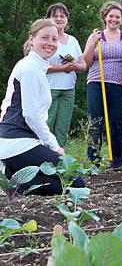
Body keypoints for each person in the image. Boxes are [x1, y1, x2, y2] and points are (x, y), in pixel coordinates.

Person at [0, 19, 85, 195]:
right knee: (75, 182)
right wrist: (54, 146)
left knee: (65, 180)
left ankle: (10, 176)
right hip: (17, 142)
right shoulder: (30, 68)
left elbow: (7, 105)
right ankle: (11, 180)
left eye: (54, 39)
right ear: (31, 39)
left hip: (22, 140)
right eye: (44, 37)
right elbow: (31, 115)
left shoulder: (38, 67)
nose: (50, 43)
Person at [83, 1, 122, 168]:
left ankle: (117, 160)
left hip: (119, 84)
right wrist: (91, 44)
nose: (114, 19)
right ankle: (94, 160)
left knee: (117, 123)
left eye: (117, 16)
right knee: (95, 122)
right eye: (111, 16)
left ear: (121, 19)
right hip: (97, 83)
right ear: (105, 17)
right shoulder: (95, 36)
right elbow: (87, 61)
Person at [45, 3, 87, 148]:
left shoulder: (73, 41)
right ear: (48, 19)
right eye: (55, 16)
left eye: (62, 16)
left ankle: (58, 162)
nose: (59, 18)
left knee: (62, 128)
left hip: (68, 90)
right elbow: (39, 67)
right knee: (46, 125)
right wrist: (62, 68)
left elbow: (83, 65)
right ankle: (42, 160)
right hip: (48, 89)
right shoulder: (45, 39)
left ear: (67, 19)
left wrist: (74, 65)